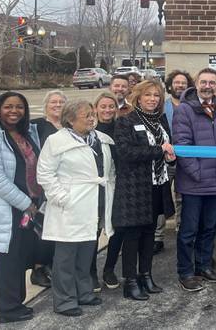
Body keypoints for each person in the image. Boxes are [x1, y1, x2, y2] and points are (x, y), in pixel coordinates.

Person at [37, 100, 115, 317]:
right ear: (70, 120)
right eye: (86, 115)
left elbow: (109, 170)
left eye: (92, 114)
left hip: (94, 204)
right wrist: (62, 198)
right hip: (69, 206)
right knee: (65, 258)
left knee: (86, 254)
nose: (92, 118)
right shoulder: (56, 141)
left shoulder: (100, 139)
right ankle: (64, 301)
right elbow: (44, 173)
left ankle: (84, 293)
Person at [0, 93, 42, 323]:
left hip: (28, 204)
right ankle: (7, 308)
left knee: (21, 254)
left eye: (19, 107)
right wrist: (25, 203)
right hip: (8, 206)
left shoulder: (24, 132)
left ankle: (17, 301)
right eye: (8, 107)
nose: (14, 111)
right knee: (8, 258)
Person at [113, 81, 176, 301]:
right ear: (138, 97)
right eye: (147, 95)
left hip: (158, 183)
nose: (152, 99)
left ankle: (145, 275)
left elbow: (168, 146)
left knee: (150, 233)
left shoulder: (160, 120)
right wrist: (158, 150)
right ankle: (130, 281)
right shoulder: (126, 121)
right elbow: (125, 152)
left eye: (156, 96)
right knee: (133, 235)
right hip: (134, 187)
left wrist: (169, 155)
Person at [172, 68, 216, 292]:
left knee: (209, 228)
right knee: (188, 231)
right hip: (194, 182)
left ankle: (204, 266)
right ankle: (186, 272)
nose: (208, 86)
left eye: (212, 83)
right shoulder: (185, 110)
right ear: (196, 83)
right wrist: (197, 173)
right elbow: (182, 146)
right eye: (204, 82)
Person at [27, 90, 66, 287]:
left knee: (58, 228)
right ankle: (38, 268)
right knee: (42, 228)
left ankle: (51, 264)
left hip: (66, 183)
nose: (57, 105)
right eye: (53, 102)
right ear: (46, 105)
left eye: (61, 102)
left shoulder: (68, 127)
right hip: (45, 183)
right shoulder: (37, 125)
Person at [159, 69, 193, 250]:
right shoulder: (162, 107)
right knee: (162, 196)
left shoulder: (192, 107)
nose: (180, 85)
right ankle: (158, 236)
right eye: (177, 82)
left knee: (182, 197)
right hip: (165, 160)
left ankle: (182, 229)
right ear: (170, 85)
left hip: (186, 160)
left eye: (184, 83)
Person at [93, 92, 124, 290]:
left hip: (118, 183)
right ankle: (89, 272)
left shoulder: (121, 128)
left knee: (117, 229)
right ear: (95, 108)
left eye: (111, 106)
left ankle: (109, 269)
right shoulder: (89, 130)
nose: (107, 110)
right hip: (94, 187)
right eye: (103, 106)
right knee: (93, 230)